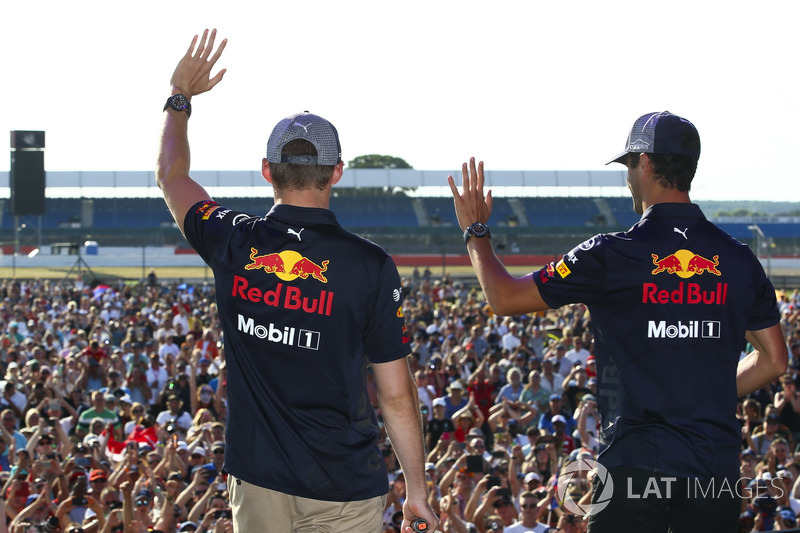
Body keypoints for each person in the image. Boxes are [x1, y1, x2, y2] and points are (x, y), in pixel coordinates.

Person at [448, 111, 788, 532]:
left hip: (633, 466)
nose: (628, 177)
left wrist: (475, 231)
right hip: (712, 473)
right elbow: (774, 360)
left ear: (645, 164)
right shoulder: (740, 259)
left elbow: (503, 297)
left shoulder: (609, 254)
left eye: (628, 165)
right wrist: (705, 392)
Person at [157, 29, 436, 533]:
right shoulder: (370, 265)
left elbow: (172, 176)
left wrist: (179, 99)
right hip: (346, 484)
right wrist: (415, 489)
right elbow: (395, 393)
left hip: (260, 479)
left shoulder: (233, 240)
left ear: (267, 170)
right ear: (337, 172)